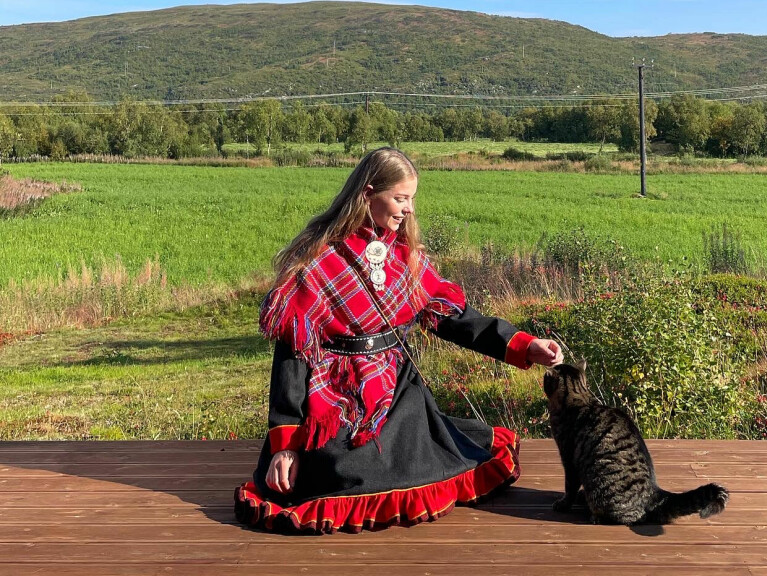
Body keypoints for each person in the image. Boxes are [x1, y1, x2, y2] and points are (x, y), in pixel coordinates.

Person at [234, 147, 563, 534]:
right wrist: (285, 444)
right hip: (332, 396)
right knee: (340, 474)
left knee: (419, 458)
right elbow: (293, 354)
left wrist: (524, 345)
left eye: (412, 199)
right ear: (367, 194)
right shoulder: (318, 260)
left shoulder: (405, 256)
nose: (409, 209)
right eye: (400, 198)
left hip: (395, 389)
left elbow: (454, 319)